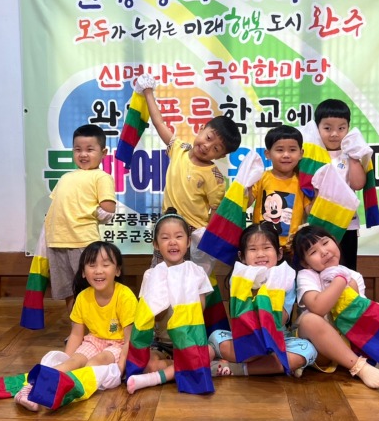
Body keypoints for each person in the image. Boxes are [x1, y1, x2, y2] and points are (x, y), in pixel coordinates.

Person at [293, 225, 379, 398]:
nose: (324, 252)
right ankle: (360, 368)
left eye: (325, 243)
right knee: (309, 320)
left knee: (378, 308)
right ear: (305, 263)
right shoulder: (307, 276)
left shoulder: (353, 275)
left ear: (335, 242)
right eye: (313, 252)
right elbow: (319, 308)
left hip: (350, 342)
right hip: (320, 349)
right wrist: (340, 279)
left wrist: (345, 279)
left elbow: (358, 316)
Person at [15, 241, 136, 411]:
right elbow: (76, 334)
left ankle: (57, 389)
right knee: (74, 361)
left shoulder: (125, 296)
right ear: (83, 272)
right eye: (92, 265)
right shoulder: (82, 297)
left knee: (95, 362)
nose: (98, 270)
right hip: (94, 341)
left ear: (117, 270)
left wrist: (122, 369)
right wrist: (67, 358)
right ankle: (31, 387)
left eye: (105, 265)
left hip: (119, 344)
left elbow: (130, 339)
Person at [126, 209, 217, 394]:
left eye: (179, 236)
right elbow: (154, 317)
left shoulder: (196, 272)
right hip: (161, 344)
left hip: (190, 340)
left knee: (209, 352)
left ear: (188, 242)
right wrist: (161, 294)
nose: (173, 242)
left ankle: (159, 377)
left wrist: (182, 290)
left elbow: (199, 310)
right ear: (156, 244)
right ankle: (183, 368)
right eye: (165, 238)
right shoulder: (151, 275)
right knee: (149, 364)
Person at [208, 224, 317, 376]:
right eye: (253, 249)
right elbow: (238, 317)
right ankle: (270, 365)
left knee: (307, 350)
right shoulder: (239, 279)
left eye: (266, 248)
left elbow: (281, 319)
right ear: (242, 256)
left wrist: (264, 299)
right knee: (216, 336)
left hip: (277, 337)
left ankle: (238, 368)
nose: (260, 254)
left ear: (279, 253)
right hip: (246, 337)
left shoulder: (286, 279)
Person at [141, 76, 242, 231]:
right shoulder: (179, 149)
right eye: (208, 138)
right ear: (201, 128)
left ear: (221, 156)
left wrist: (207, 238)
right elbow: (159, 123)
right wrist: (148, 92)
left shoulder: (215, 178)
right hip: (167, 226)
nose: (207, 146)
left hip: (194, 232)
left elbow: (216, 211)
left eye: (216, 148)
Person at [43, 124, 116, 313]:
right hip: (56, 241)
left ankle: (95, 326)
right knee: (67, 290)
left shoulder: (101, 177)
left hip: (83, 241)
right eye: (78, 149)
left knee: (89, 287)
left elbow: (108, 210)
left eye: (90, 149)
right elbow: (55, 207)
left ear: (103, 152)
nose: (83, 154)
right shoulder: (65, 177)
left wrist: (90, 210)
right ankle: (76, 326)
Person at [308, 99, 367, 270]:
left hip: (346, 222)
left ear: (348, 128)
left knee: (347, 268)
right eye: (327, 128)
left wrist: (354, 157)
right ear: (317, 128)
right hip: (319, 222)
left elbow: (358, 184)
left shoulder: (351, 155)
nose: (334, 134)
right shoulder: (310, 155)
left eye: (341, 128)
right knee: (317, 269)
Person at [250, 125, 309, 248]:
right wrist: (246, 184)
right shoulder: (261, 178)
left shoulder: (302, 182)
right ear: (268, 154)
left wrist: (319, 191)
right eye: (280, 150)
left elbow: (310, 211)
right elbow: (245, 202)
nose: (286, 155)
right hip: (262, 244)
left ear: (301, 153)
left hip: (292, 247)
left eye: (292, 150)